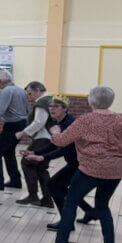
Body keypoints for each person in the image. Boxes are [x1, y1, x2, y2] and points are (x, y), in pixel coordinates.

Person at [44, 86, 122, 243]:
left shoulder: (86, 120)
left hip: (89, 169)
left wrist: (55, 131)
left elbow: (62, 141)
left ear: (91, 101)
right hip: (114, 171)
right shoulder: (121, 119)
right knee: (103, 206)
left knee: (70, 203)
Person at [22, 95, 89, 230]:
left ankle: (67, 222)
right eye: (50, 106)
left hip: (81, 163)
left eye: (56, 106)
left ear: (65, 108)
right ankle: (90, 212)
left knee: (54, 185)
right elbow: (55, 144)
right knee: (61, 188)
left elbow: (65, 148)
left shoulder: (69, 124)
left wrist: (43, 157)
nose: (52, 109)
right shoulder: (60, 122)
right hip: (75, 162)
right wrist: (36, 152)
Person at [13, 81, 53, 206]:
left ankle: (33, 196)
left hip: (43, 138)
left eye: (30, 94)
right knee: (41, 168)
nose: (28, 97)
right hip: (50, 139)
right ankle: (47, 199)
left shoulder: (42, 103)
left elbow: (39, 122)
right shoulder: (51, 99)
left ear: (38, 91)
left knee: (27, 162)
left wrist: (23, 132)